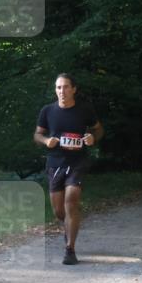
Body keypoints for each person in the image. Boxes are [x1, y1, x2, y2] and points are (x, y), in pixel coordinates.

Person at [34, 73, 104, 265]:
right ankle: (68, 228)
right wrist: (46, 140)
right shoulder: (47, 111)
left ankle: (70, 249)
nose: (61, 91)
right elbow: (37, 135)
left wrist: (92, 137)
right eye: (58, 87)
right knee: (59, 211)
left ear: (74, 89)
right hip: (55, 162)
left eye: (65, 87)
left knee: (71, 200)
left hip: (78, 161)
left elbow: (98, 129)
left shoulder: (84, 110)